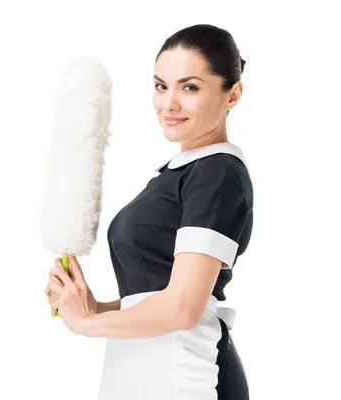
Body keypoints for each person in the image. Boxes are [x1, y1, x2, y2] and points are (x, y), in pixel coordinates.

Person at [44, 23, 253, 400]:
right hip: (144, 367)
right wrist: (95, 307)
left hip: (188, 372)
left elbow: (184, 308)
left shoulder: (217, 173)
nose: (169, 103)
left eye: (189, 87)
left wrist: (89, 323)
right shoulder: (178, 173)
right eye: (161, 85)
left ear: (232, 95)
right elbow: (155, 294)